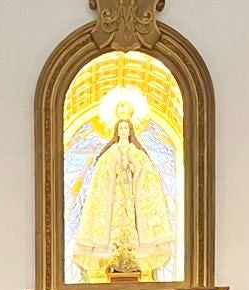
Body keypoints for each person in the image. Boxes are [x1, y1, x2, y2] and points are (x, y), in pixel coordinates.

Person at [71, 105, 175, 281]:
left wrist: (133, 168)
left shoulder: (138, 154)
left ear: (130, 130)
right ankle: (111, 260)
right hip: (114, 199)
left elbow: (146, 175)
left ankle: (134, 260)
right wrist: (117, 168)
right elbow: (102, 177)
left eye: (126, 127)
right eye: (121, 127)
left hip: (133, 199)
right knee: (113, 229)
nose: (124, 130)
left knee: (133, 226)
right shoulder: (109, 154)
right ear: (117, 131)